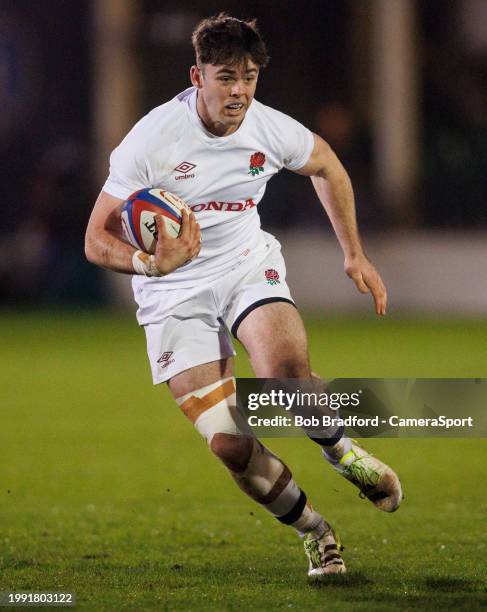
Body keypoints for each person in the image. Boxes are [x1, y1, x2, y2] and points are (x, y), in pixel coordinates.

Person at [85, 13, 402, 579]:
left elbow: (327, 165)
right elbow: (95, 237)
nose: (239, 91)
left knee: (284, 374)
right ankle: (316, 532)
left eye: (250, 77)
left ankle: (343, 453)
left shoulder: (267, 126)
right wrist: (146, 262)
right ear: (197, 75)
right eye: (226, 76)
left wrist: (354, 252)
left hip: (244, 263)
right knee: (230, 445)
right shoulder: (153, 138)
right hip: (173, 290)